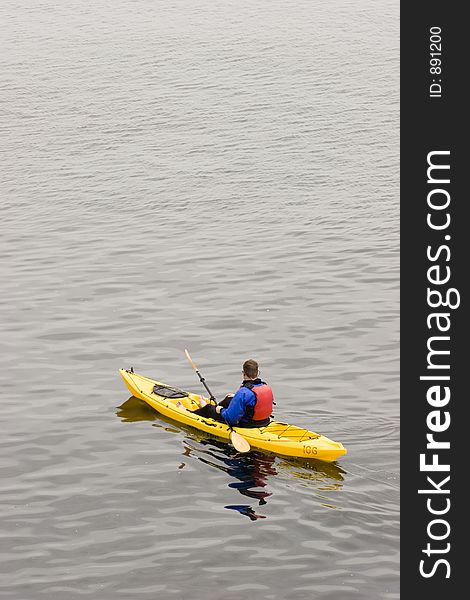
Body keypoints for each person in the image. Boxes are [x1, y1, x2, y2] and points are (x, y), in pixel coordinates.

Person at [194, 359, 274, 428]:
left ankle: (198, 409)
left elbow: (231, 419)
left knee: (208, 409)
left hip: (247, 425)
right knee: (229, 399)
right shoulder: (266, 386)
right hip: (265, 421)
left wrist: (220, 410)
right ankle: (215, 407)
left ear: (243, 373)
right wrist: (235, 397)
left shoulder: (243, 392)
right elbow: (254, 400)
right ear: (257, 372)